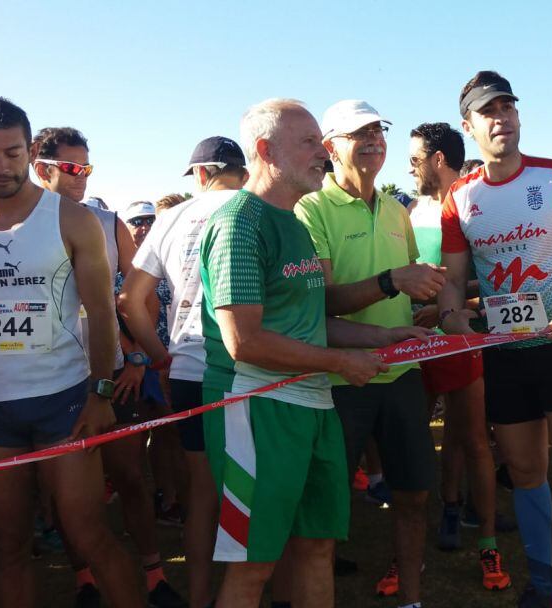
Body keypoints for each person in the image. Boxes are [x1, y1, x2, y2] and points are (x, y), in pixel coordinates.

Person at [199, 98, 425, 608]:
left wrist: (381, 339)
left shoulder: (295, 225)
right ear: (263, 150)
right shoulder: (240, 222)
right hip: (257, 408)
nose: (321, 152)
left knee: (317, 547)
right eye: (307, 142)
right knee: (254, 564)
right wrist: (341, 363)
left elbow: (311, 322)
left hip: (313, 404)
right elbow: (244, 341)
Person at [439, 70, 552, 608]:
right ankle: (544, 587)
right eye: (488, 112)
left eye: (508, 108)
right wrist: (452, 317)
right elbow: (452, 280)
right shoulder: (460, 199)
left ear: (518, 116)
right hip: (505, 356)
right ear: (469, 125)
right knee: (524, 472)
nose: (501, 118)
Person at [0, 97, 141, 608]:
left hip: (62, 399)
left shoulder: (73, 219)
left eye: (12, 153)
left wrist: (101, 392)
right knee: (8, 544)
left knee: (88, 535)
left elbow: (102, 314)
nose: (0, 167)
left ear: (28, 151)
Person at [295, 99, 441, 607]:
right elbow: (322, 301)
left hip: (401, 374)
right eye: (361, 132)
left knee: (414, 495)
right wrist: (391, 281)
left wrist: (431, 305)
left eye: (379, 130)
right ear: (332, 147)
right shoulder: (310, 208)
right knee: (327, 509)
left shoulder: (398, 209)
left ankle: (412, 599)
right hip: (341, 379)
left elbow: (409, 287)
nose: (375, 139)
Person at [32, 127, 185, 608]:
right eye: (72, 169)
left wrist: (139, 355)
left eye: (87, 169)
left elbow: (134, 296)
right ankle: (84, 581)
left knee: (131, 479)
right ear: (43, 167)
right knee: (65, 491)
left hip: (113, 374)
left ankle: (155, 574)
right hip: (51, 378)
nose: (81, 178)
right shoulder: (19, 222)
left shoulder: (107, 220)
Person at [118, 135, 248, 608]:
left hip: (192, 366)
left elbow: (130, 299)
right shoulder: (259, 206)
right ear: (243, 171)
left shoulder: (171, 218)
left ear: (198, 175)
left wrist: (161, 356)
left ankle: (198, 598)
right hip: (254, 365)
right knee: (260, 485)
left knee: (202, 492)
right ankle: (257, 592)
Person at [407, 121, 512, 590]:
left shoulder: (475, 200)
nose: (409, 170)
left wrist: (443, 303)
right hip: (412, 339)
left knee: (472, 436)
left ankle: (486, 537)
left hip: (459, 334)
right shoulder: (408, 212)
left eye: (414, 160)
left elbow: (492, 274)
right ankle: (447, 510)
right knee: (428, 436)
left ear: (438, 159)